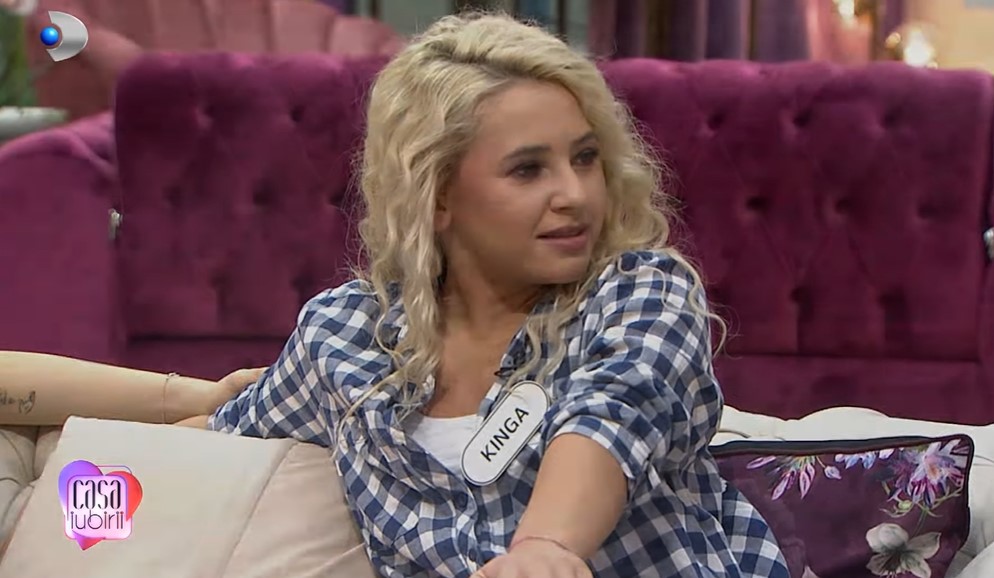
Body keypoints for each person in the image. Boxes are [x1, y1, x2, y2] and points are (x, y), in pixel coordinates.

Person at [1, 12, 790, 578]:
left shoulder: (642, 293)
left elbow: (609, 420)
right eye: (529, 169)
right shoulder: (345, 341)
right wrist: (175, 403)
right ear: (436, 196)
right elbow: (199, 435)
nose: (576, 194)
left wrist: (544, 550)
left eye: (585, 159)